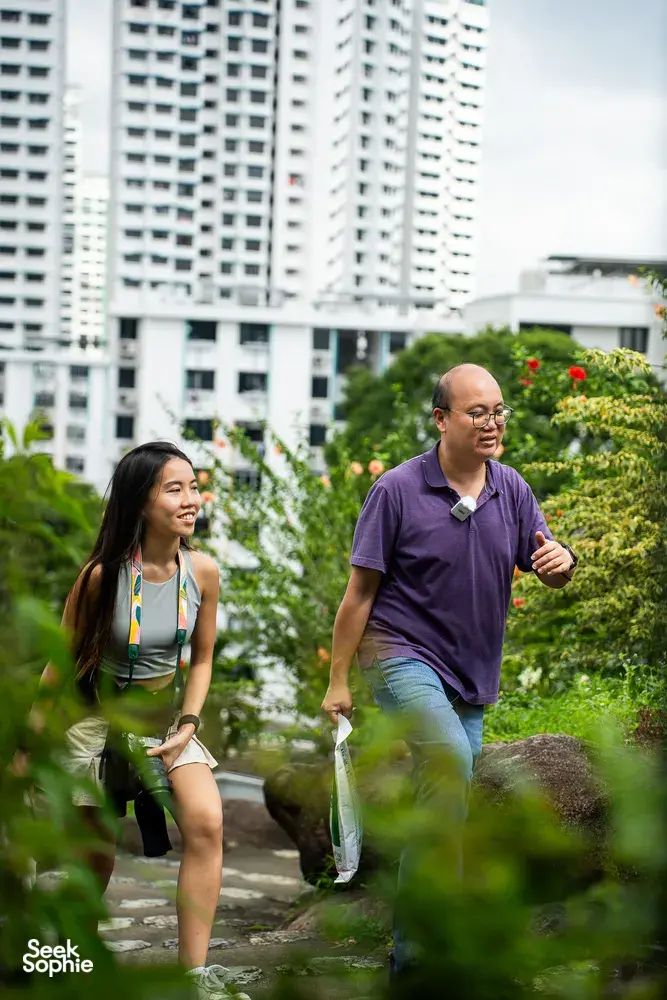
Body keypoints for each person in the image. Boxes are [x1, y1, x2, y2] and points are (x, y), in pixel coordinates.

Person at [321, 364, 578, 975]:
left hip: (470, 670)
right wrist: (337, 680)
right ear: (441, 419)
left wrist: (563, 561)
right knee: (450, 761)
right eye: (476, 412)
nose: (492, 423)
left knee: (444, 805)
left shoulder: (511, 489)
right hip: (398, 652)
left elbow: (548, 560)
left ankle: (422, 950)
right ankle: (422, 960)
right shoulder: (396, 490)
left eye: (498, 411)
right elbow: (359, 594)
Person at [19, 442, 250, 1000]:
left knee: (207, 822)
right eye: (174, 489)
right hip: (96, 725)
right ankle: (59, 964)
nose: (191, 499)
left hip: (166, 724)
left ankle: (193, 976)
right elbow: (60, 662)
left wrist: (189, 722)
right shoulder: (101, 577)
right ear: (140, 501)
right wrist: (27, 746)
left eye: (193, 486)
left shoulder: (203, 572)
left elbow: (203, 658)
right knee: (94, 859)